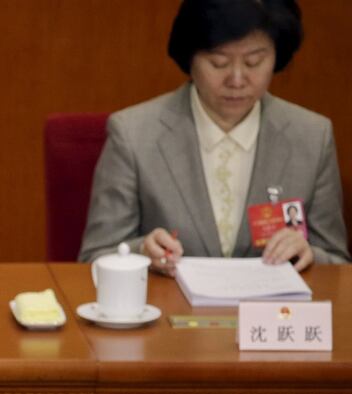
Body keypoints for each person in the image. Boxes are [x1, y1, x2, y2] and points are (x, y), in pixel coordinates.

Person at [79, 0, 349, 274]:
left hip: (271, 315)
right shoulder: (134, 134)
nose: (237, 79)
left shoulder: (312, 136)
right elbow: (95, 256)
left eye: (254, 62)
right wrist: (142, 253)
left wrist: (310, 254)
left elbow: (338, 262)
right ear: (190, 60)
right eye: (218, 63)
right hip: (169, 311)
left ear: (276, 57)